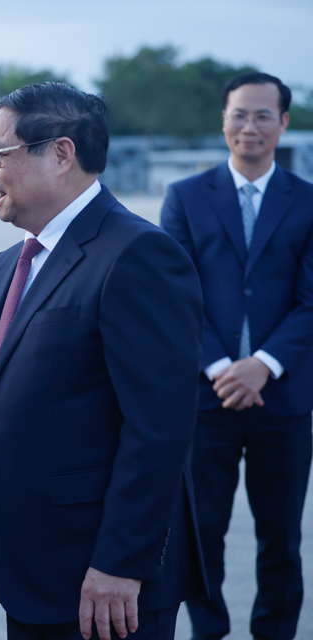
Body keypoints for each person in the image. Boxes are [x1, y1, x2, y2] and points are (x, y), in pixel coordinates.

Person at [0, 82, 207, 640]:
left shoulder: (136, 255)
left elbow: (160, 428)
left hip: (102, 582)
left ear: (60, 154)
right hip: (33, 573)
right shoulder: (11, 262)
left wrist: (120, 562)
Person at [160, 72, 313, 640]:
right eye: (239, 115)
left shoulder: (308, 201)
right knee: (202, 531)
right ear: (223, 120)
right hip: (207, 395)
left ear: (284, 123)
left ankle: (274, 631)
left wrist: (263, 364)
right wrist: (225, 367)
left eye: (263, 116)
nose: (250, 127)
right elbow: (174, 295)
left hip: (285, 396)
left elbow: (311, 300)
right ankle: (208, 631)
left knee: (282, 536)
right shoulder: (186, 197)